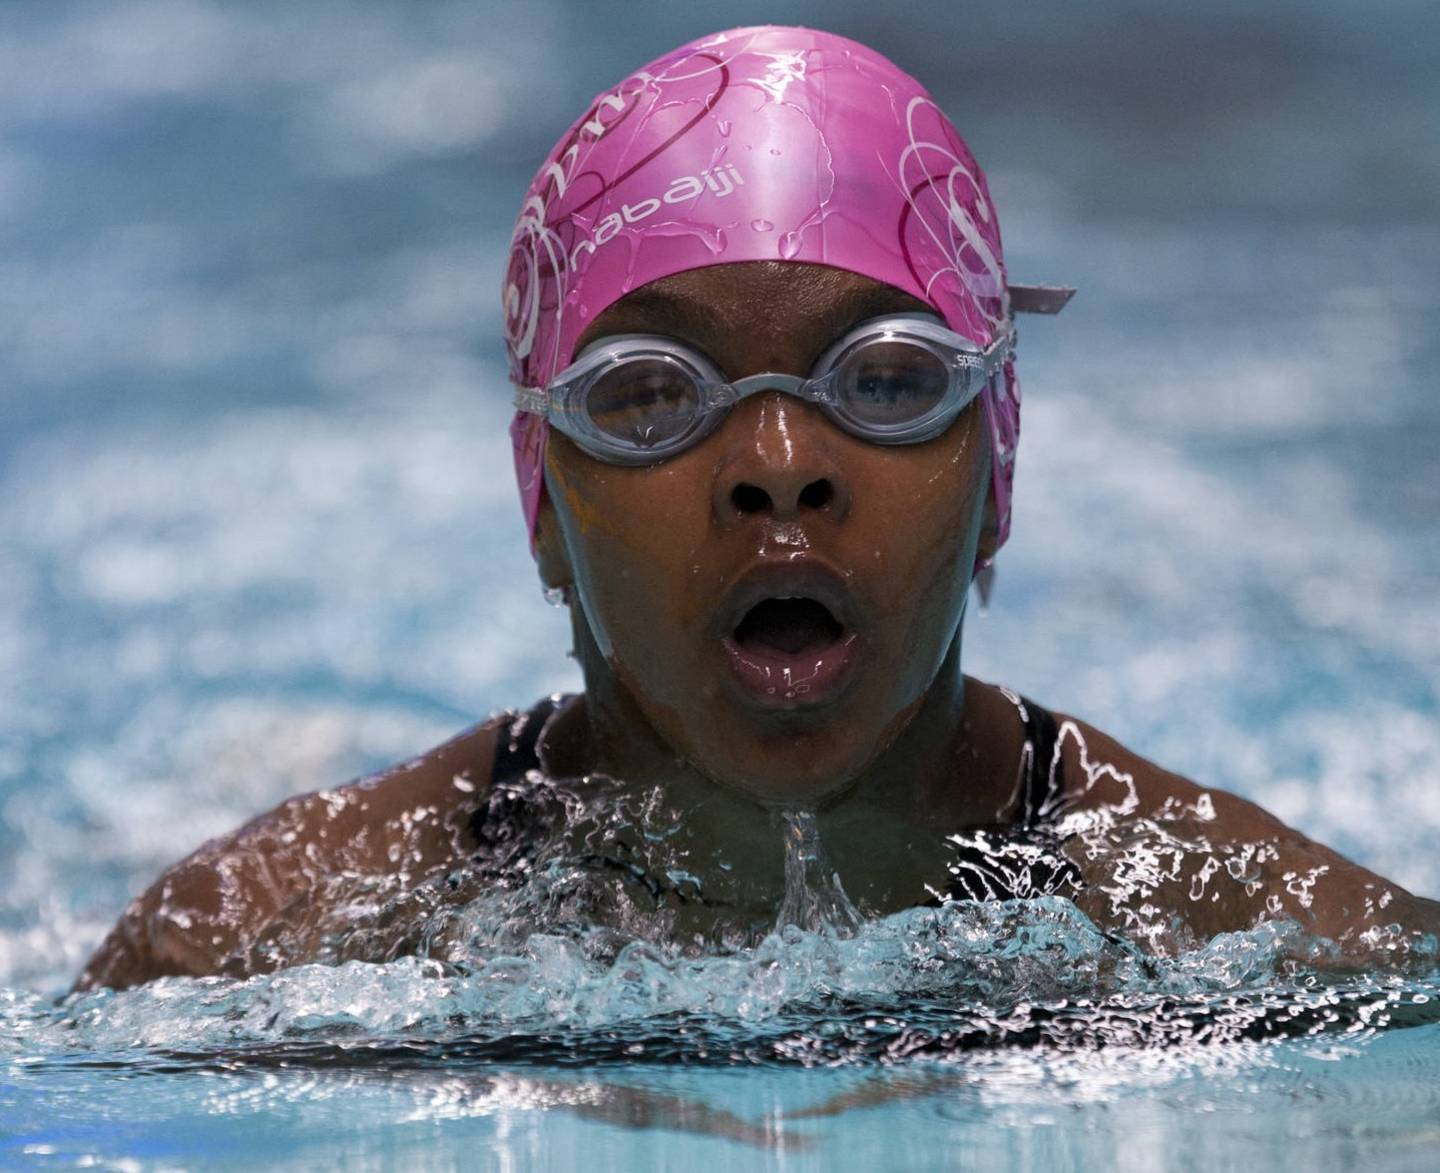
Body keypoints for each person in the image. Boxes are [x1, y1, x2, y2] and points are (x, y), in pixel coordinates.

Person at [75, 25, 1438, 992]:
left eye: (888, 379)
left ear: (996, 467)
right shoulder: (250, 937)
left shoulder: (1266, 924)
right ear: (543, 503)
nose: (780, 459)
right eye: (651, 393)